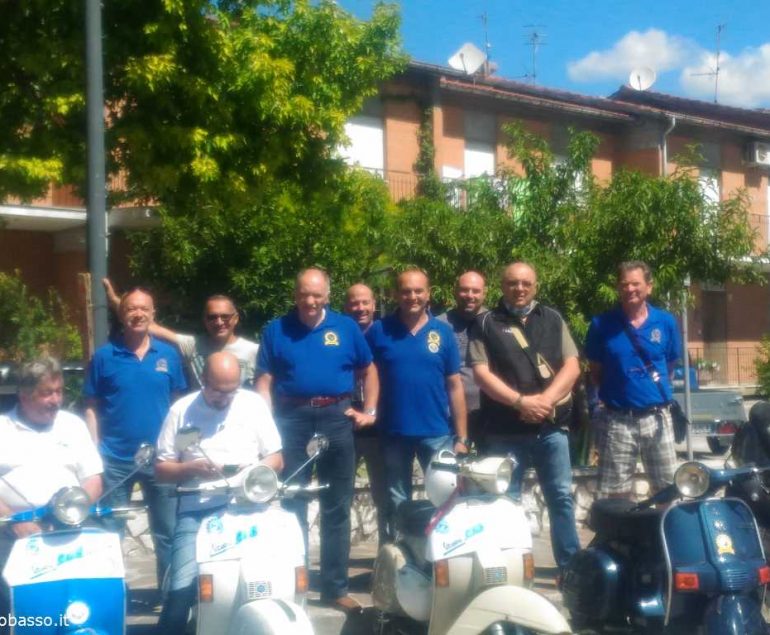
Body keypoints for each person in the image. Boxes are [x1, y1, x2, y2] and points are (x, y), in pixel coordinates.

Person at [256, 268, 378, 613]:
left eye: (316, 295)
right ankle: (292, 584)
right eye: (303, 294)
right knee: (291, 503)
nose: (310, 301)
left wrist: (369, 410)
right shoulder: (276, 329)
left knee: (336, 506)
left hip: (337, 418)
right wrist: (266, 424)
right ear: (294, 294)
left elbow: (369, 370)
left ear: (327, 295)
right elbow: (264, 381)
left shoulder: (346, 327)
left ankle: (334, 589)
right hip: (291, 421)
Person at [156, 352, 283, 633]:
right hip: (197, 509)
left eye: (232, 391)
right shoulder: (182, 411)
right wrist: (190, 468)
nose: (225, 398)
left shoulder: (252, 404)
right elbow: (161, 469)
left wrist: (252, 473)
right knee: (180, 591)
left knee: (269, 578)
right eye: (218, 391)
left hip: (247, 506)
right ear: (203, 380)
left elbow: (276, 458)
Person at [468, 262, 581, 573]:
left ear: (535, 286)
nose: (519, 289)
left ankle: (570, 568)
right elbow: (481, 374)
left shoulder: (553, 318)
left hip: (550, 427)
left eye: (526, 283)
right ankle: (511, 568)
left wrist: (545, 400)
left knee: (560, 497)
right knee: (506, 500)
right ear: (502, 286)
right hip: (504, 431)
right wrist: (520, 402)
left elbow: (572, 366)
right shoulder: (485, 323)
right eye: (513, 283)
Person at [84, 287, 187, 585]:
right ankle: (111, 594)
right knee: (110, 532)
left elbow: (179, 407)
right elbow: (90, 406)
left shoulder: (168, 355)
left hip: (161, 460)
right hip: (115, 459)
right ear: (121, 314)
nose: (138, 314)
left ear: (153, 314)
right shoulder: (104, 357)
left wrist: (179, 450)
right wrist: (93, 449)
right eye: (131, 309)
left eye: (144, 309)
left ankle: (170, 598)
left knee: (167, 532)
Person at [0, 357, 103, 628]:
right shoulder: (2, 428)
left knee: (94, 587)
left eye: (59, 391)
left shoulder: (73, 425)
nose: (56, 400)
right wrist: (14, 520)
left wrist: (74, 511)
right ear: (24, 396)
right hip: (11, 529)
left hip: (71, 523)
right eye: (47, 393)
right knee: (9, 597)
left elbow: (93, 478)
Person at [366, 269, 468, 541]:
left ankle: (442, 552)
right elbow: (366, 374)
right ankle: (400, 552)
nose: (412, 296)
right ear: (395, 294)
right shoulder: (379, 331)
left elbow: (455, 386)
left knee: (445, 496)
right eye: (406, 291)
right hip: (393, 432)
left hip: (436, 433)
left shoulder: (443, 332)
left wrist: (462, 437)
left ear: (428, 293)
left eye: (418, 290)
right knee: (396, 499)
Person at [586, 260, 681, 498]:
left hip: (657, 417)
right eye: (624, 284)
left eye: (635, 284)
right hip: (618, 419)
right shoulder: (601, 324)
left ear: (649, 286)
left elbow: (669, 365)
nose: (630, 289)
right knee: (616, 495)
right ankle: (622, 525)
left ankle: (661, 524)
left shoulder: (666, 322)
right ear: (618, 288)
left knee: (667, 490)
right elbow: (595, 371)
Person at [103, 279, 259, 389]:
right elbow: (149, 325)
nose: (219, 322)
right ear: (204, 320)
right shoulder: (193, 346)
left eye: (225, 316)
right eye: (212, 317)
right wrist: (117, 302)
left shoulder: (254, 351)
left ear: (236, 318)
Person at [344, 283, 387, 546]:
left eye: (365, 302)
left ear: (374, 304)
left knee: (384, 493)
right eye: (354, 303)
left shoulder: (385, 334)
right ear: (345, 306)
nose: (360, 308)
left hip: (380, 426)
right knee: (340, 493)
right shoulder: (338, 334)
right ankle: (338, 558)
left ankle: (387, 551)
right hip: (344, 423)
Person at [437, 271, 487, 444]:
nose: (470, 295)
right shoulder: (439, 326)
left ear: (484, 293)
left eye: (476, 291)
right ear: (455, 291)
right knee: (452, 461)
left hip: (489, 414)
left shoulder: (495, 323)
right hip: (448, 415)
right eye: (464, 290)